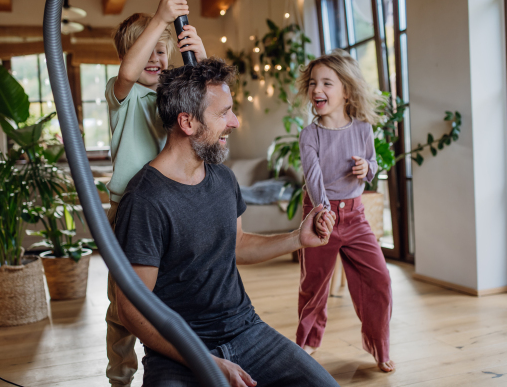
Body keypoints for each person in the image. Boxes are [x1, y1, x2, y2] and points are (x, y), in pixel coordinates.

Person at [113, 58, 340, 387]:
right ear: (187, 122)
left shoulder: (222, 178)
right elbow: (131, 310)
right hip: (179, 352)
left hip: (247, 332)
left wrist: (297, 238)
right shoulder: (145, 201)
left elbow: (236, 245)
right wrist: (203, 360)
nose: (234, 121)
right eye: (223, 113)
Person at [104, 0, 208, 386]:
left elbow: (206, 96)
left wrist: (198, 50)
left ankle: (174, 360)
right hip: (129, 208)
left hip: (168, 205)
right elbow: (130, 70)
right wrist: (160, 19)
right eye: (145, 50)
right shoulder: (123, 94)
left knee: (169, 289)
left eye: (161, 53)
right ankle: (121, 374)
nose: (154, 60)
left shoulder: (171, 97)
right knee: (123, 304)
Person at [296, 49, 395, 372]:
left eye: (327, 83)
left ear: (346, 91)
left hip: (355, 217)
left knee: (379, 279)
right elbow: (312, 178)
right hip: (319, 214)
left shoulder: (363, 129)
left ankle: (380, 346)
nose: (317, 90)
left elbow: (373, 167)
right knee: (314, 283)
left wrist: (366, 168)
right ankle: (307, 341)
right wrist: (322, 213)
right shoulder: (310, 135)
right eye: (313, 83)